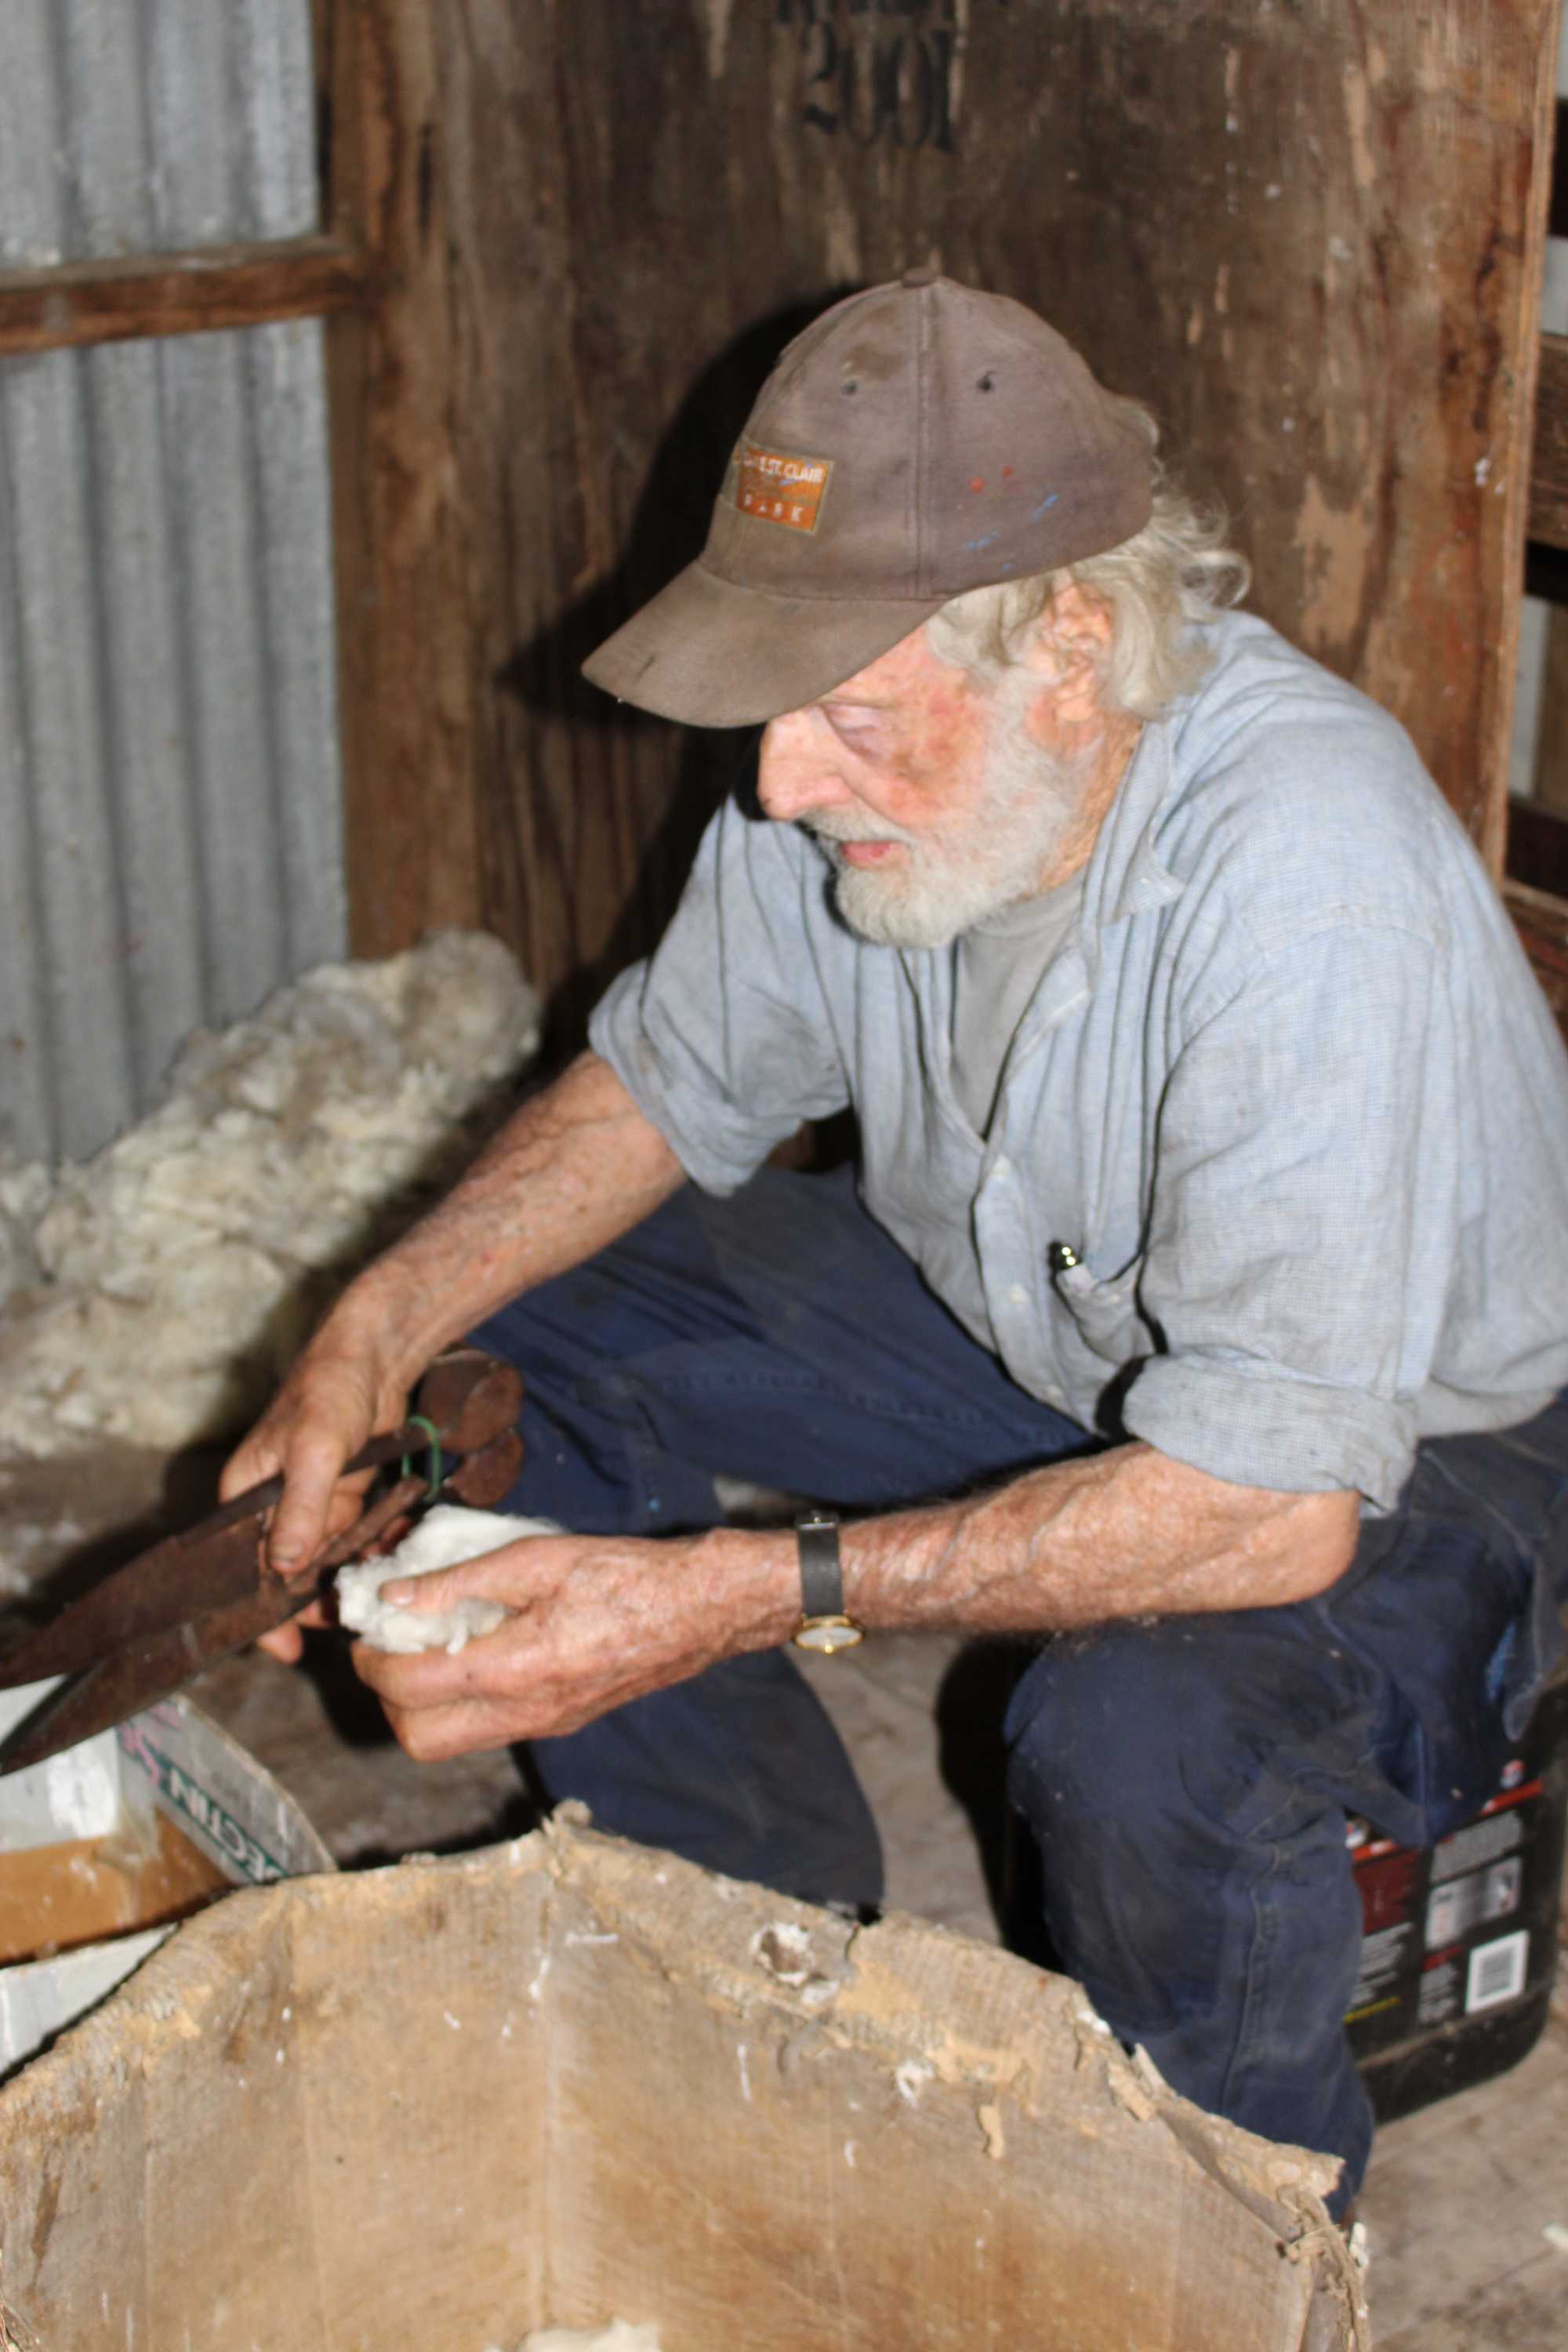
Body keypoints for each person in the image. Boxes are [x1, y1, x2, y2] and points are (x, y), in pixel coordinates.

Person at [225, 270, 1568, 2214]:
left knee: (1132, 1740)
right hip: (1046, 1327)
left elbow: (1265, 1511)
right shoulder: (838, 786)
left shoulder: (1301, 868)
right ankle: (745, 1955)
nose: (780, 784)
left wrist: (728, 1591)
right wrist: (370, 1329)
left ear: (1071, 647)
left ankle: (1242, 2246)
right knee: (526, 1325)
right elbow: (664, 1084)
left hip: (1424, 1441)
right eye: (780, 710)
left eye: (852, 716)